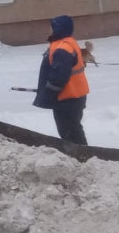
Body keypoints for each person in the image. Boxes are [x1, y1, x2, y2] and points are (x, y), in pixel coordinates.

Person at [33, 15, 90, 146]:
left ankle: (83, 157)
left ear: (59, 29)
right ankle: (82, 155)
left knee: (70, 132)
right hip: (74, 95)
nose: (49, 30)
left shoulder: (62, 48)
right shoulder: (66, 43)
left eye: (51, 27)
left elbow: (59, 76)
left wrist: (49, 93)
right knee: (72, 129)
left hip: (67, 98)